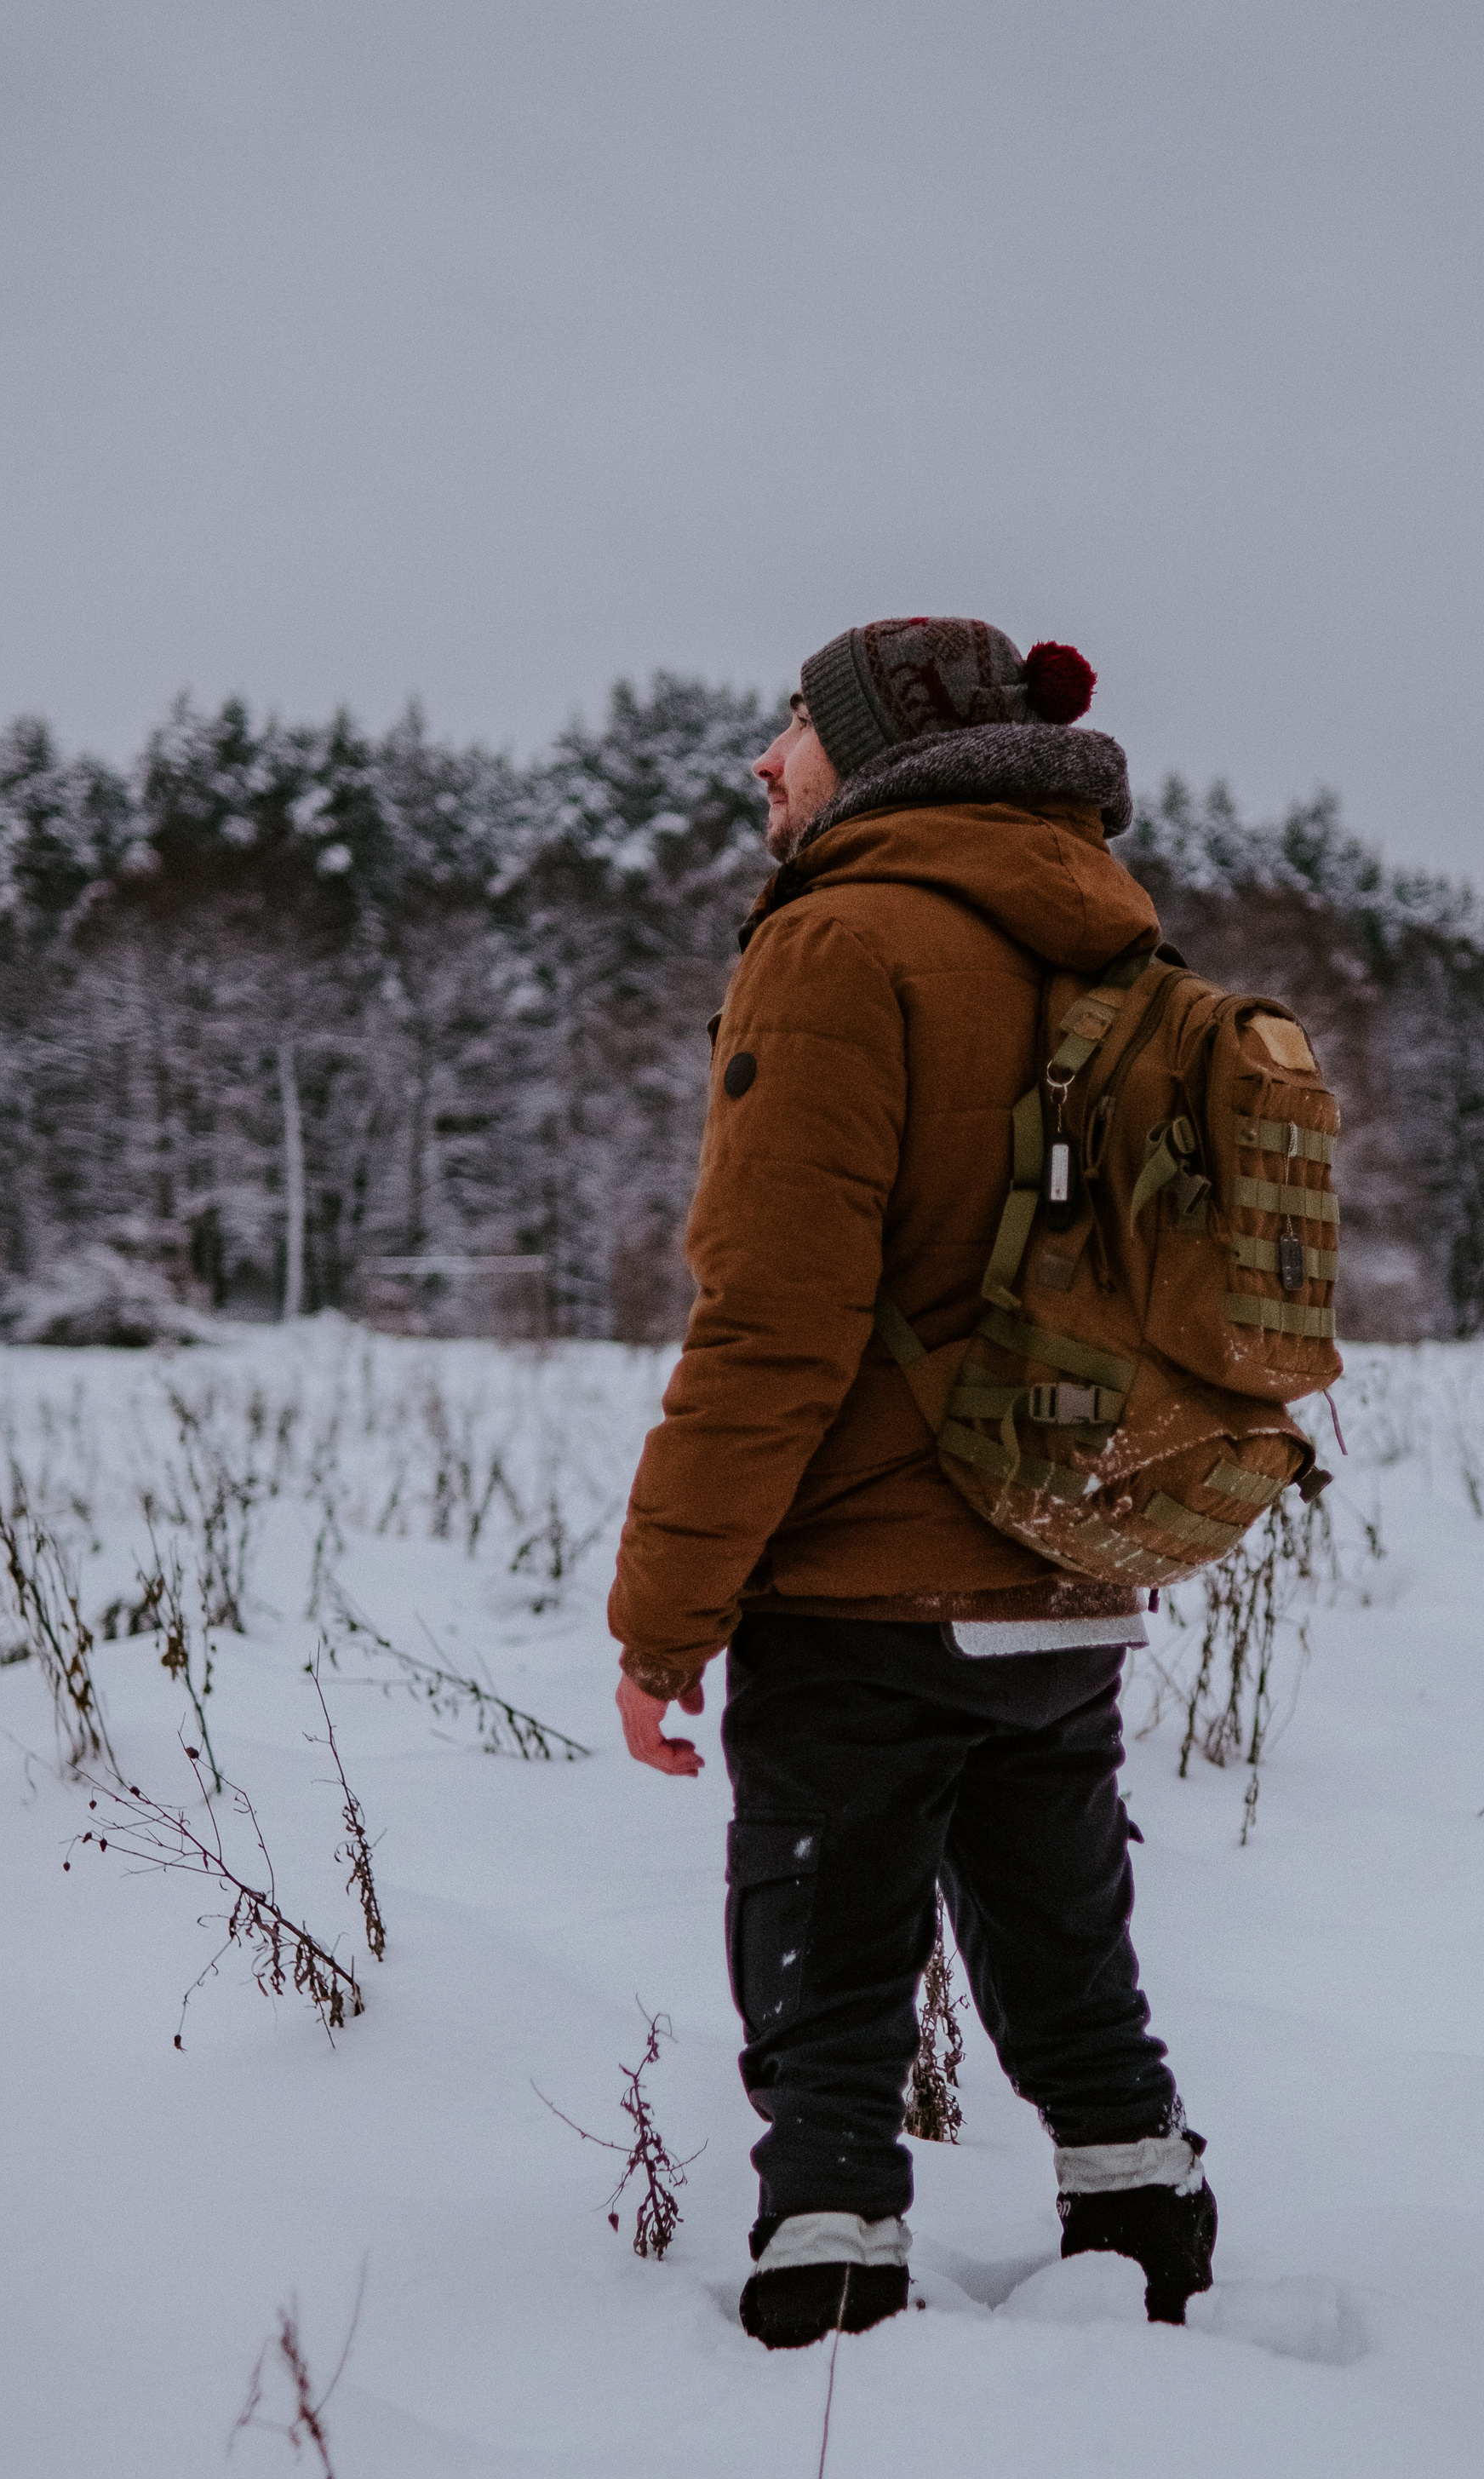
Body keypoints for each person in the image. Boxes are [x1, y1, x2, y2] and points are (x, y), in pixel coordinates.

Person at [609, 618, 1215, 2349]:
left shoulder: (839, 942)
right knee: (1064, 1940)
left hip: (866, 1581)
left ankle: (830, 2253)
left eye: (793, 725)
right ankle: (1141, 2206)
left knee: (828, 1948)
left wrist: (664, 1613)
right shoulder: (1113, 941)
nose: (762, 759)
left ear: (875, 754)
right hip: (1070, 1560)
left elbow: (773, 1323)